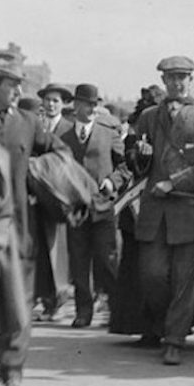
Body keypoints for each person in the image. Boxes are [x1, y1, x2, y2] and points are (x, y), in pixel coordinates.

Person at [0, 53, 68, 386]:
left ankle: (14, 372)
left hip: (21, 225)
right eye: (12, 83)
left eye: (20, 83)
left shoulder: (27, 121)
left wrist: (37, 174)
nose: (19, 89)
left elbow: (60, 152)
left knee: (19, 301)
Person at [129, 56, 194, 365]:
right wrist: (138, 156)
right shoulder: (149, 117)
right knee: (152, 275)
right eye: (171, 78)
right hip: (155, 213)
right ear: (163, 81)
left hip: (190, 210)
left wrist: (175, 183)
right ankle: (160, 327)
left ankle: (175, 340)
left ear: (191, 81)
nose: (177, 83)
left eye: (183, 77)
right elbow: (138, 165)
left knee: (186, 280)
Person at [59, 83, 130, 328]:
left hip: (103, 207)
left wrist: (112, 181)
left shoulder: (107, 132)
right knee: (78, 261)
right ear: (75, 106)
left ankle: (116, 310)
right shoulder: (62, 138)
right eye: (85, 104)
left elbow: (124, 167)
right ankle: (83, 312)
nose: (90, 108)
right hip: (76, 209)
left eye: (93, 104)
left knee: (108, 259)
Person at [30, 83, 76, 321]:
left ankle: (57, 301)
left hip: (58, 195)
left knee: (57, 249)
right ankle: (40, 299)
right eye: (47, 100)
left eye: (55, 101)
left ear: (63, 104)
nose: (50, 104)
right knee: (37, 248)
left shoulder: (68, 129)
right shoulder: (35, 125)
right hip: (35, 193)